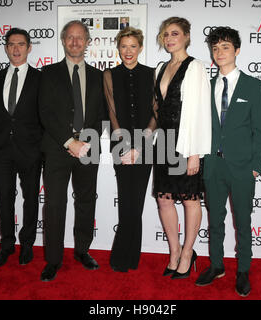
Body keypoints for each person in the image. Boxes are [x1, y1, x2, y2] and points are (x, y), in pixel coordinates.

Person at [195, 26, 261, 297]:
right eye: (215, 48)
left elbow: (260, 131)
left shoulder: (255, 86)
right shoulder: (207, 86)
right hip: (213, 165)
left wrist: (255, 167)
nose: (219, 52)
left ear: (237, 51)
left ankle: (243, 270)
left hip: (241, 167)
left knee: (243, 222)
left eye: (225, 47)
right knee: (215, 220)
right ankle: (216, 265)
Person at [38, 20, 106, 282]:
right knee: (55, 204)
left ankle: (82, 251)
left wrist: (87, 142)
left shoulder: (101, 76)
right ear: (63, 40)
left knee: (87, 200)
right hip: (57, 148)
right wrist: (70, 142)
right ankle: (53, 260)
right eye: (70, 37)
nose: (75, 42)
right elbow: (46, 112)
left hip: (89, 147)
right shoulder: (48, 73)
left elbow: (104, 115)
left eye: (81, 37)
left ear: (88, 41)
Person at [153, 17, 212, 280]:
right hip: (163, 141)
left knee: (190, 199)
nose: (169, 38)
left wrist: (195, 153)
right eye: (165, 34)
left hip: (186, 141)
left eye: (174, 33)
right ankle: (174, 251)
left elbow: (200, 113)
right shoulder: (160, 68)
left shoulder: (195, 67)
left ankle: (189, 252)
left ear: (187, 36)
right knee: (164, 199)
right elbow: (157, 109)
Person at [0, 28, 43, 268]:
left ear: (29, 48)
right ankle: (6, 245)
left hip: (30, 150)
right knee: (4, 198)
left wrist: (41, 148)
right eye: (11, 44)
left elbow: (46, 115)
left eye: (21, 44)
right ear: (6, 48)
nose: (16, 49)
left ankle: (27, 244)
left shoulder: (40, 79)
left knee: (30, 199)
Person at [103, 27, 156, 272]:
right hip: (120, 146)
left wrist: (141, 144)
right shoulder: (110, 74)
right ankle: (122, 256)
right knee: (126, 201)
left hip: (146, 146)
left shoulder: (152, 74)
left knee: (137, 201)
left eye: (133, 46)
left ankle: (130, 256)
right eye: (124, 46)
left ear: (140, 48)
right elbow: (112, 112)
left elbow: (156, 111)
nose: (128, 51)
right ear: (118, 48)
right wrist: (125, 146)